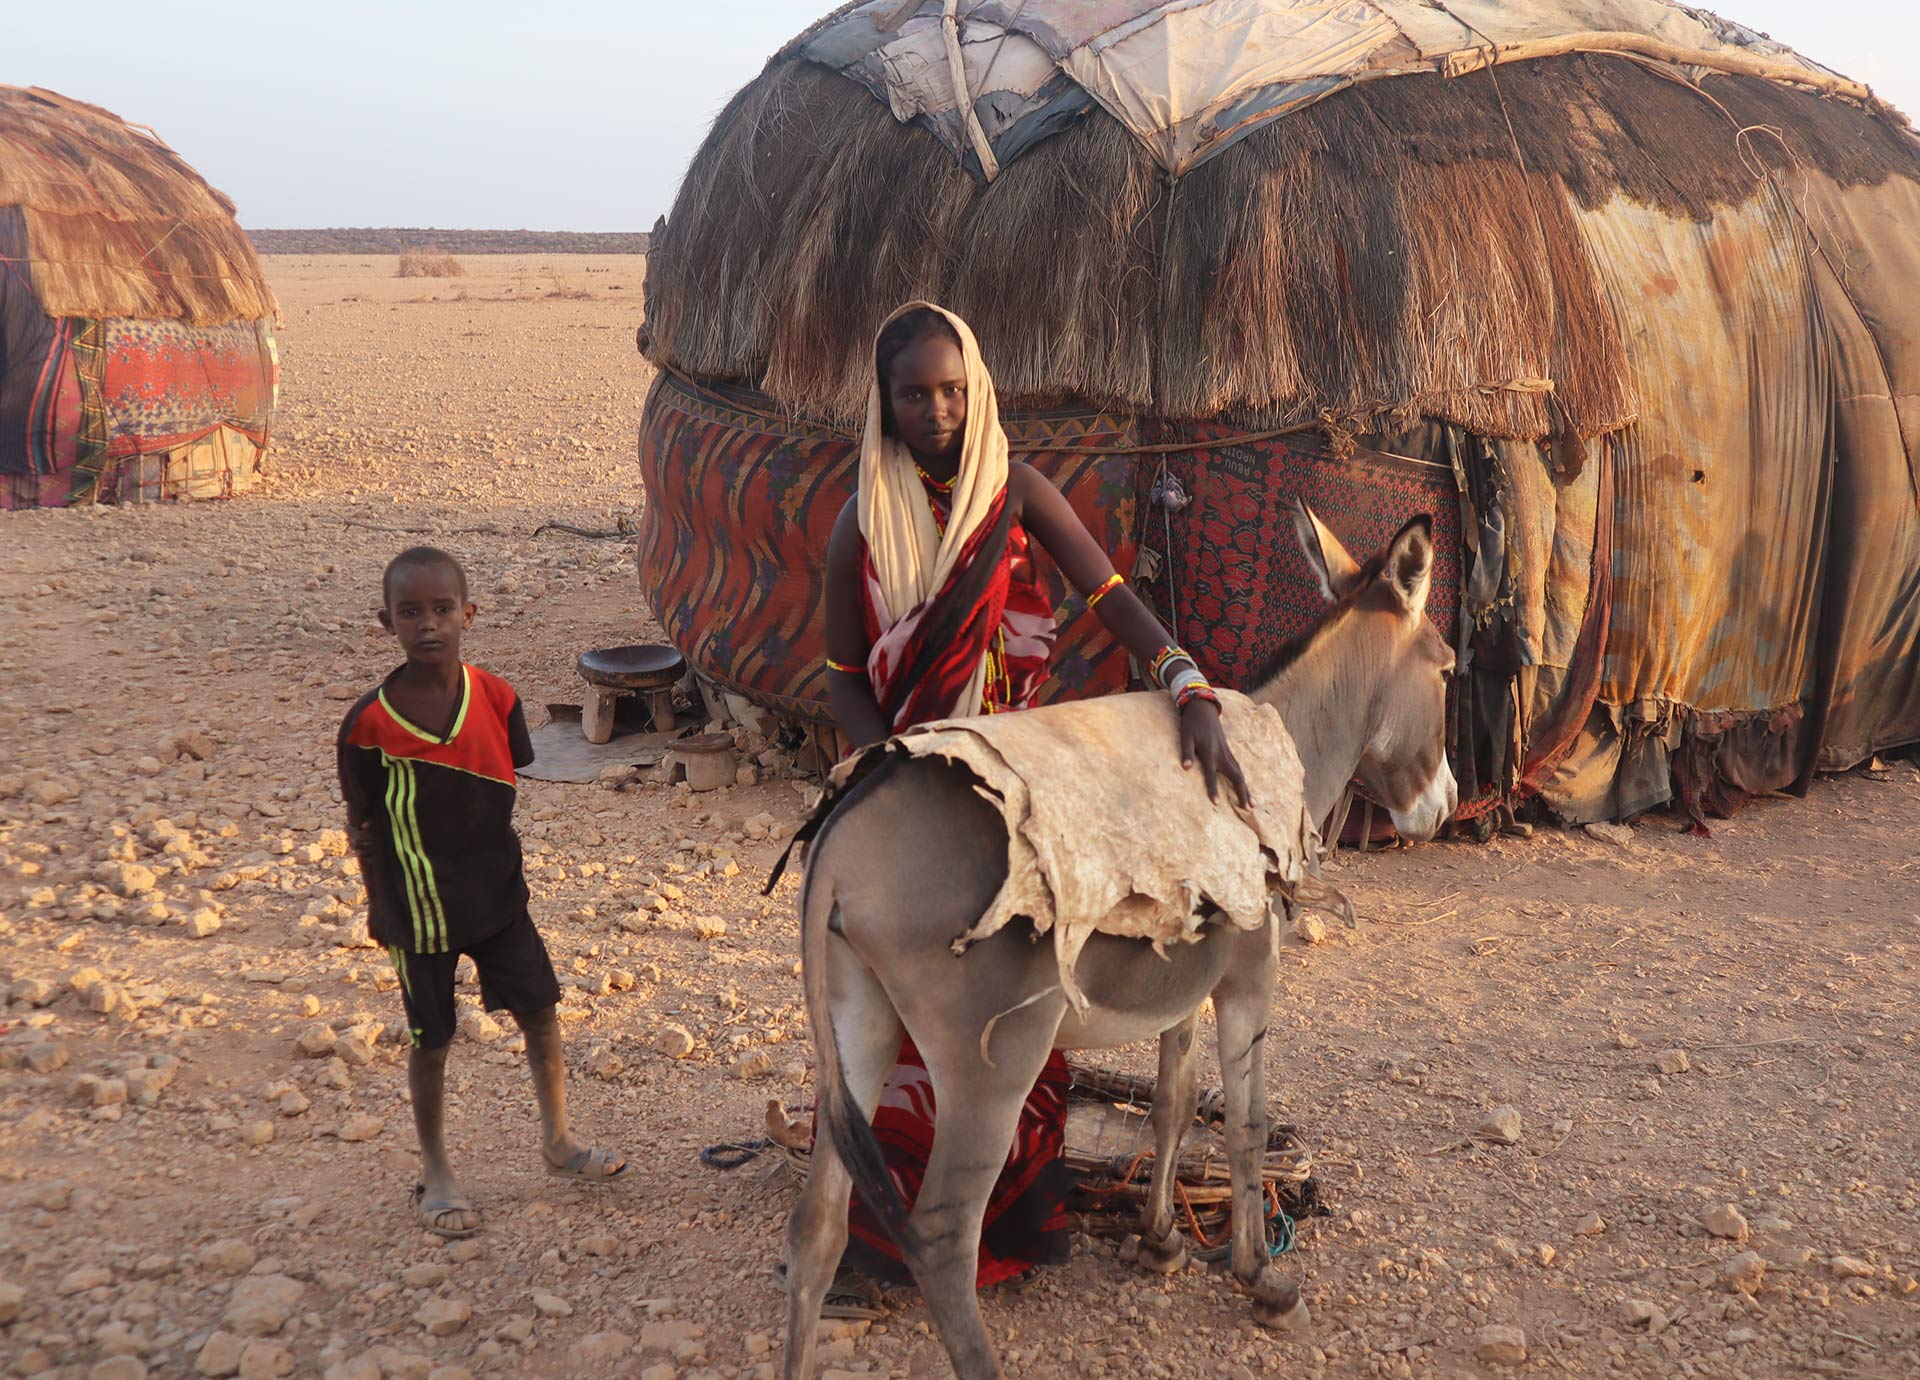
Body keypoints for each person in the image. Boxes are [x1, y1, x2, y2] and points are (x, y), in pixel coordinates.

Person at [817, 302, 1249, 1294]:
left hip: (1013, 780)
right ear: (882, 404)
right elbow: (842, 672)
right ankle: (875, 1249)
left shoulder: (1013, 491)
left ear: (979, 392)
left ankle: (998, 1226)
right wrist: (886, 765)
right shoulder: (861, 521)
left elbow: (1108, 596)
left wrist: (1185, 680)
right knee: (893, 998)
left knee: (1019, 990)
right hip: (911, 780)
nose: (937, 410)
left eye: (953, 390)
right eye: (915, 393)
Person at [337, 546, 626, 1238]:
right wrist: (379, 905)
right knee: (430, 1038)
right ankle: (437, 1171)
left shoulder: (496, 700)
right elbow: (364, 826)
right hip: (418, 911)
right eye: (411, 612)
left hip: (500, 900)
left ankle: (558, 1141)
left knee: (542, 1010)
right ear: (387, 622)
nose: (428, 625)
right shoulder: (369, 724)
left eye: (442, 609)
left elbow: (510, 781)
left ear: (468, 613)